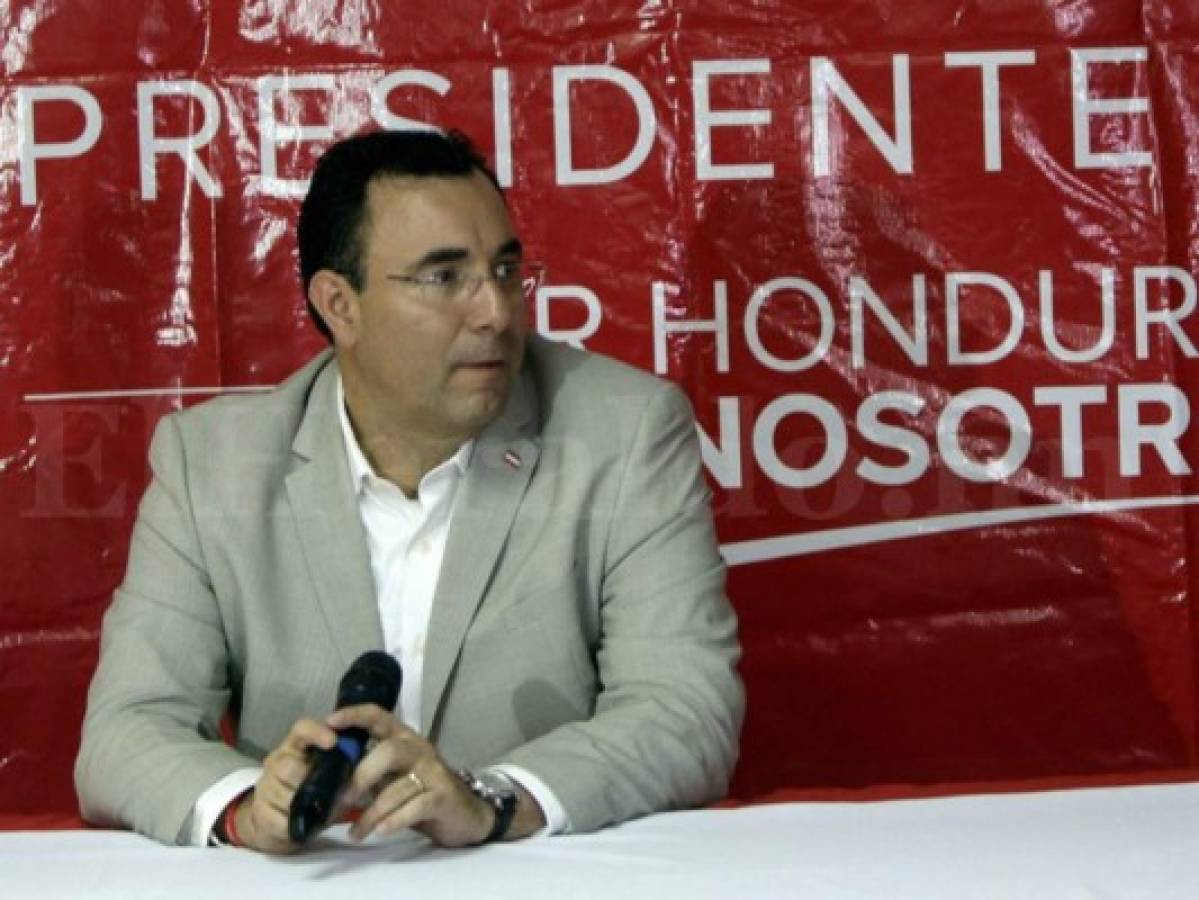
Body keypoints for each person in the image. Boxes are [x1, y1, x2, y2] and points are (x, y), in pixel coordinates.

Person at [75, 128, 744, 852]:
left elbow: (685, 709)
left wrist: (491, 799)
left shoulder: (625, 432)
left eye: (506, 270)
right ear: (340, 305)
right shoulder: (211, 463)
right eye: (444, 276)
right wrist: (247, 808)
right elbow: (127, 727)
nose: (495, 311)